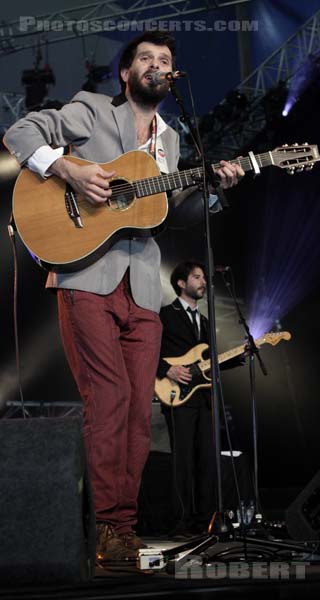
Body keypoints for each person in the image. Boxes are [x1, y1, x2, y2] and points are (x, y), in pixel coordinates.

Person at [3, 30, 244, 562]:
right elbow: (21, 131)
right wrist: (69, 168)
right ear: (127, 73)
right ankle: (103, 527)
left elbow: (168, 213)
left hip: (141, 282)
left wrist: (214, 187)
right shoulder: (91, 110)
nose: (158, 65)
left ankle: (121, 529)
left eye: (166, 60)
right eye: (147, 59)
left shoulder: (174, 140)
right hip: (86, 276)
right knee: (108, 400)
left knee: (140, 410)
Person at [157, 261, 244, 537]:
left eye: (204, 277)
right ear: (181, 283)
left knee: (207, 460)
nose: (203, 281)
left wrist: (239, 357)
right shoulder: (164, 315)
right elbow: (145, 351)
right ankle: (180, 522)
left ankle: (203, 521)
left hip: (204, 397)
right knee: (182, 461)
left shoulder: (206, 322)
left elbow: (209, 363)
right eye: (197, 277)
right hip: (176, 396)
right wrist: (166, 369)